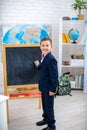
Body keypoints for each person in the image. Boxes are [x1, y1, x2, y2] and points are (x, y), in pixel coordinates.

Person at [34, 37, 58, 130]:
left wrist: (53, 89)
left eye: (47, 45)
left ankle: (52, 126)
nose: (45, 47)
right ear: (40, 46)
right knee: (44, 105)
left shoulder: (51, 59)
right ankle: (46, 119)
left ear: (51, 46)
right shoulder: (44, 56)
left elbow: (54, 76)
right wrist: (38, 66)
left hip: (49, 89)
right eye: (43, 45)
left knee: (49, 107)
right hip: (44, 87)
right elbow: (44, 69)